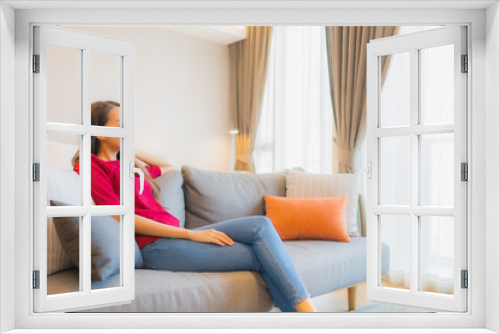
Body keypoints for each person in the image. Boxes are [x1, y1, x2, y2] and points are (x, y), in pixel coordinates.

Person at [72, 101, 317, 312]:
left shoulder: (129, 166)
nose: (129, 127)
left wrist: (129, 147)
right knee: (263, 254)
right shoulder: (91, 165)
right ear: (100, 133)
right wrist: (190, 233)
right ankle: (309, 318)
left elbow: (167, 165)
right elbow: (120, 217)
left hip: (175, 237)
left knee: (261, 226)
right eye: (120, 123)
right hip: (155, 246)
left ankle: (303, 317)